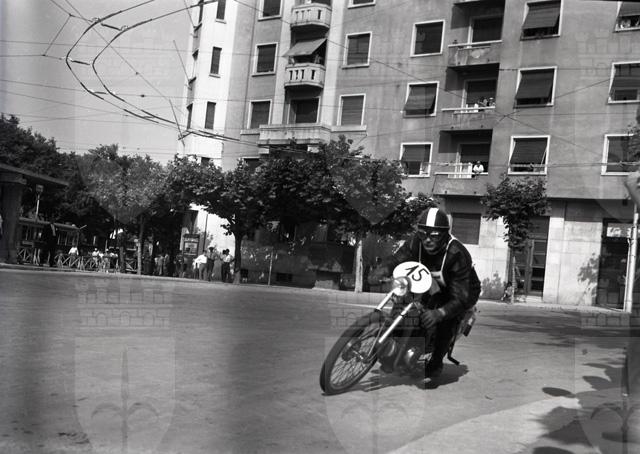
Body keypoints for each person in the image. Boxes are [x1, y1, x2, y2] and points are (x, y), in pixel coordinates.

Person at [368, 207, 481, 379]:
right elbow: (397, 259)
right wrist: (381, 270)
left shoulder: (457, 254)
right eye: (423, 234)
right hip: (430, 282)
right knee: (403, 304)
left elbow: (460, 297)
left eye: (434, 235)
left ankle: (436, 362)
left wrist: (439, 313)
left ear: (444, 235)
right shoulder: (416, 242)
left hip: (462, 290)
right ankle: (394, 351)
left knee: (446, 322)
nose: (427, 240)